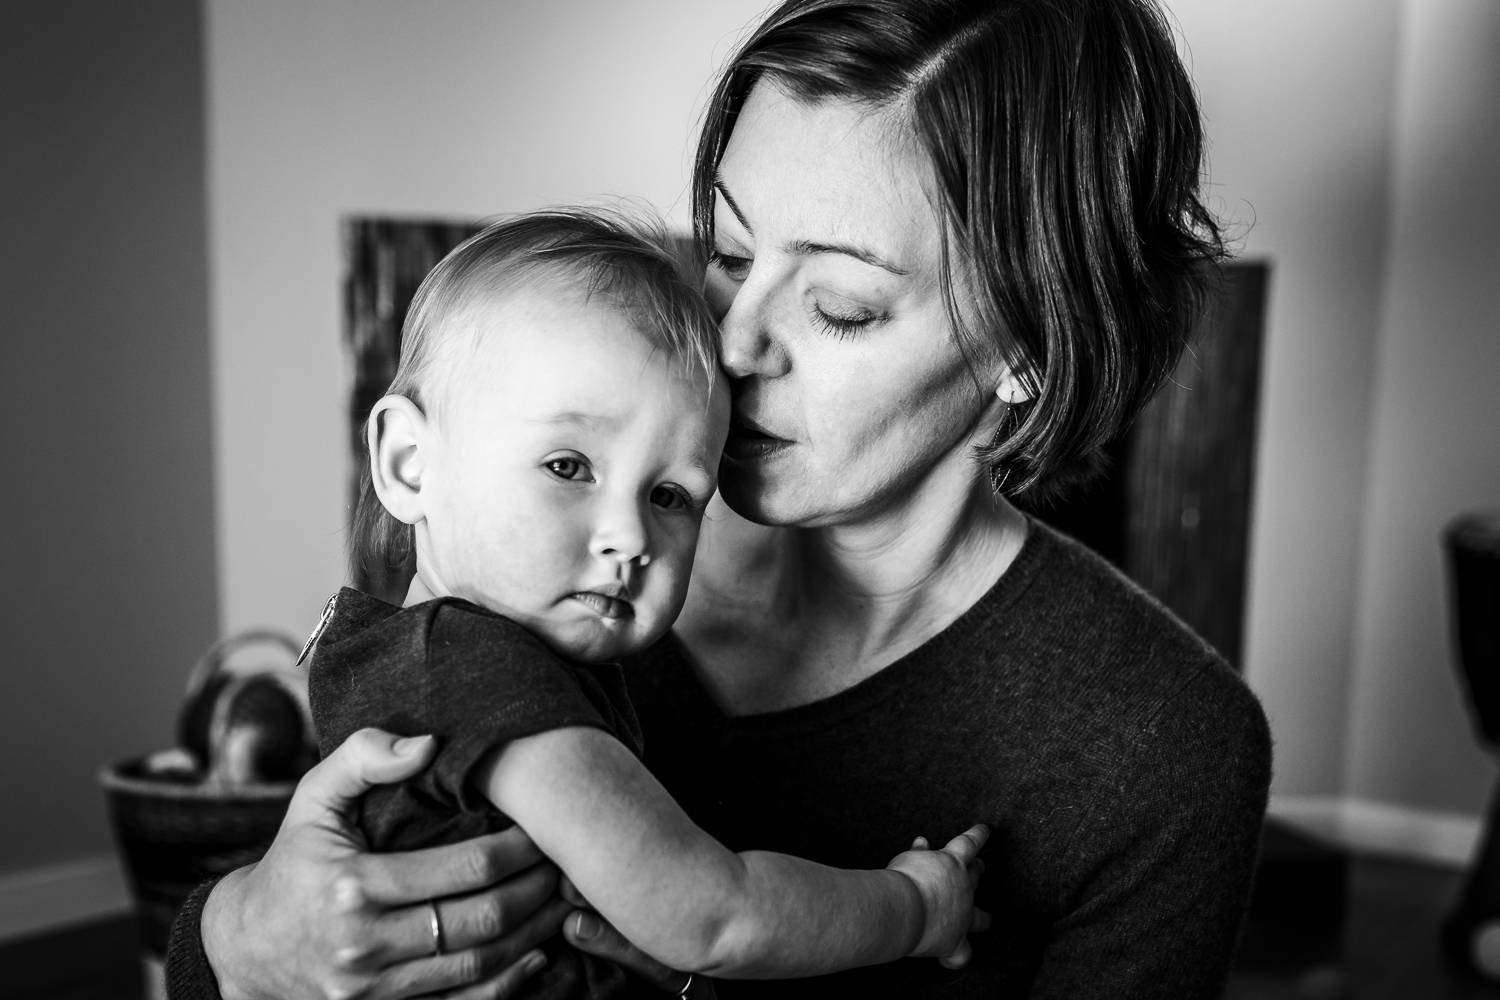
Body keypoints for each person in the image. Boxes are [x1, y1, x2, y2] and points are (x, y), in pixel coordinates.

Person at [168, 1, 1272, 997]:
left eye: (840, 305)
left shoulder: (1164, 746)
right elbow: (311, 900)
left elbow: (713, 921)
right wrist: (236, 939)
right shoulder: (525, 535)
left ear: (1026, 348)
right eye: (734, 251)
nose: (736, 343)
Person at [306, 208, 988, 999]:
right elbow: (713, 917)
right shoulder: (476, 671)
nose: (629, 535)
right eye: (567, 466)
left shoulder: (445, 662)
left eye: (670, 494)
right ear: (408, 464)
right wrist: (913, 907)